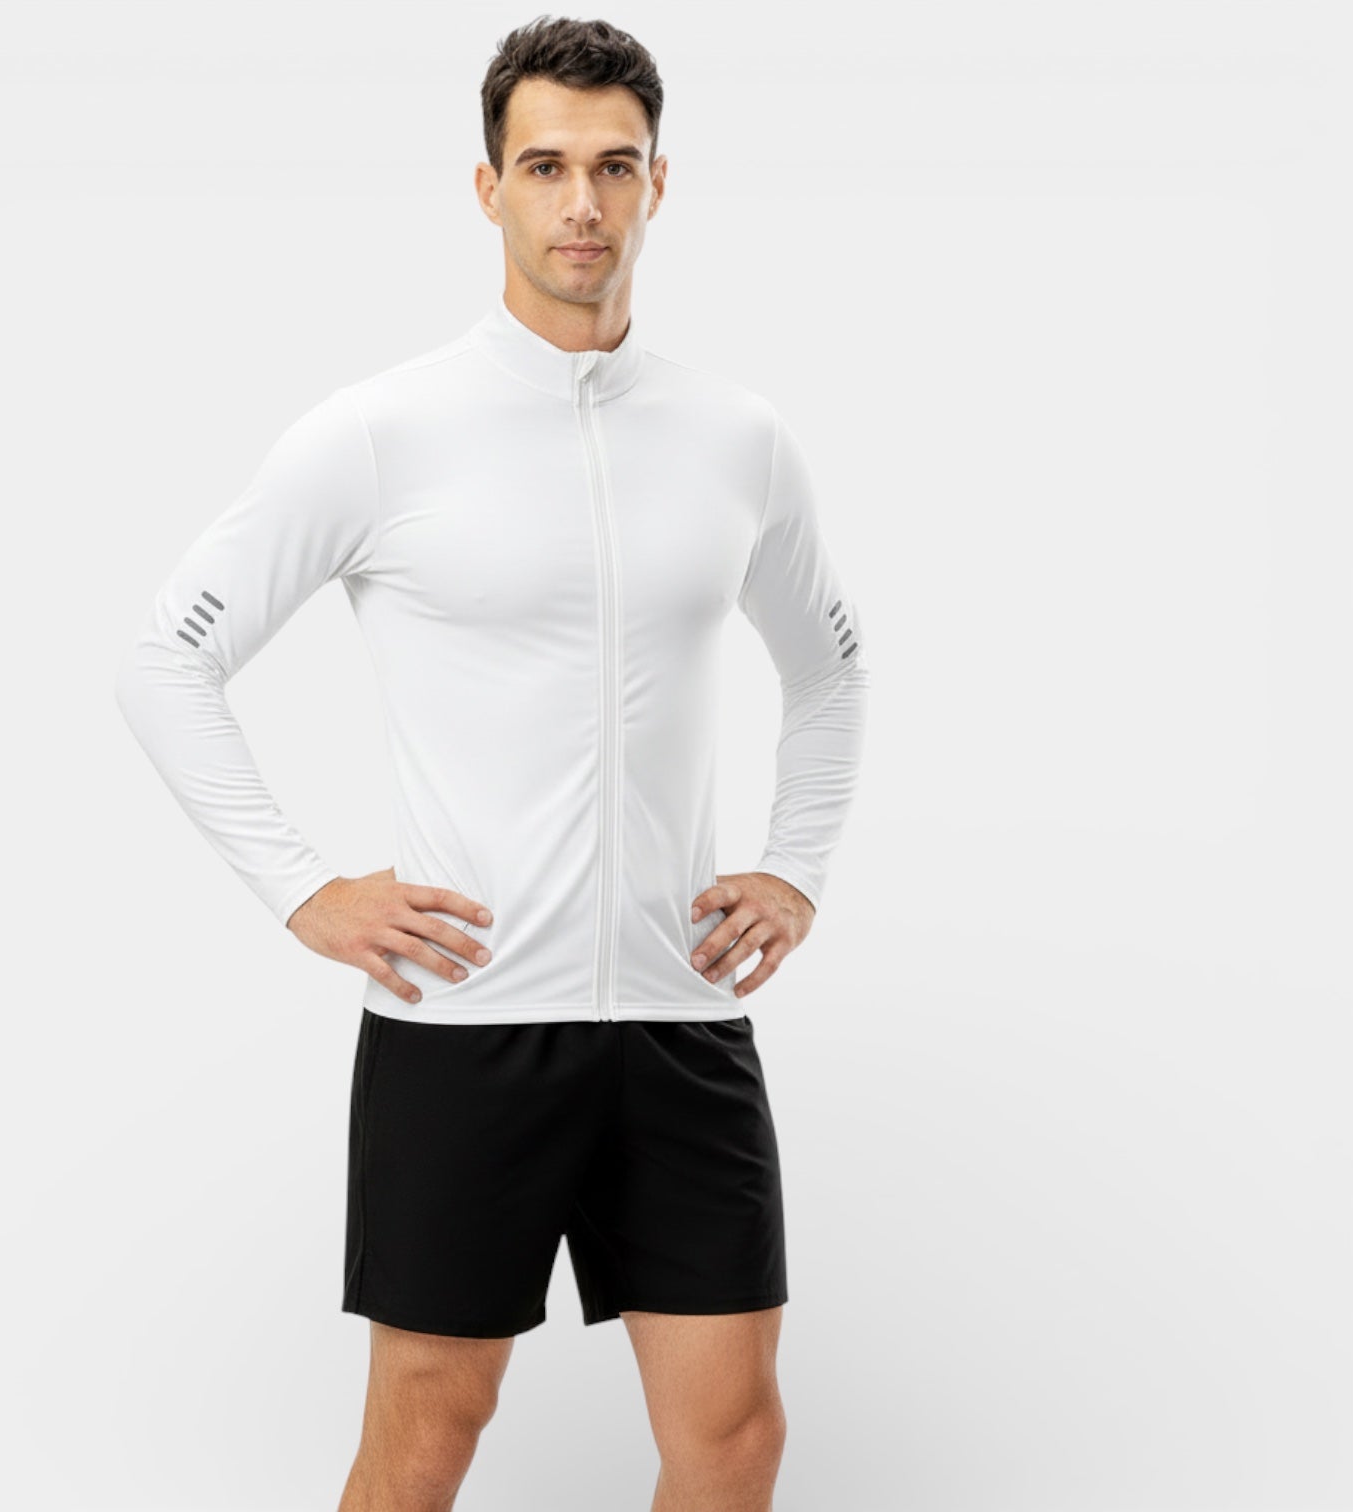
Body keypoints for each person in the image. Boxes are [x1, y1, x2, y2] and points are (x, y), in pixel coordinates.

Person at [114, 15, 871, 1511]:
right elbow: (164, 660)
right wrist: (305, 889)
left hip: (680, 1016)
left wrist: (796, 864)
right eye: (545, 166)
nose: (582, 202)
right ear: (489, 189)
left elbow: (833, 666)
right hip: (466, 1023)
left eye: (614, 166)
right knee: (429, 1429)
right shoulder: (381, 432)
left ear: (659, 184)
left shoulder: (738, 439)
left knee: (735, 1435)